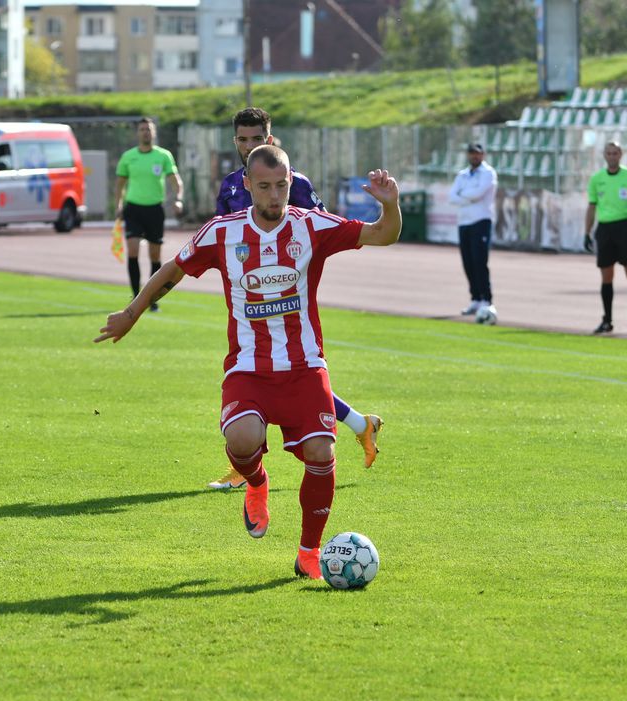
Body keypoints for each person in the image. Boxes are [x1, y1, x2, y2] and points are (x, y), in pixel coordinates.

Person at [95, 145, 401, 579]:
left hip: (304, 365)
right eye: (264, 186)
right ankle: (257, 483)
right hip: (248, 368)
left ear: (291, 182)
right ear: (247, 185)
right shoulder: (223, 232)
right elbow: (172, 271)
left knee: (321, 450)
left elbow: (381, 234)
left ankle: (309, 553)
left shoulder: (311, 226)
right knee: (241, 439)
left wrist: (391, 206)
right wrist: (130, 314)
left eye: (281, 185)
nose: (274, 195)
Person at [207, 106, 382, 491]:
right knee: (268, 375)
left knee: (291, 373)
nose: (248, 145)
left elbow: (316, 230)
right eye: (242, 139)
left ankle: (247, 471)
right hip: (249, 300)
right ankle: (359, 423)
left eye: (256, 139)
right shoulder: (231, 187)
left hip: (289, 294)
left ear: (270, 140)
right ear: (234, 141)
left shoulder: (295, 183)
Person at [114, 117, 183, 313]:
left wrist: (178, 198)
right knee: (133, 250)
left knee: (155, 255)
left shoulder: (163, 156)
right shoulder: (128, 157)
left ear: (153, 133)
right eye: (142, 129)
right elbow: (119, 184)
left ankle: (152, 299)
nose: (146, 132)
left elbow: (175, 180)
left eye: (149, 129)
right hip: (133, 209)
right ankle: (135, 297)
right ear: (138, 133)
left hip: (154, 209)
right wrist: (118, 204)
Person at [584, 141, 627, 334]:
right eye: (609, 153)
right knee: (606, 276)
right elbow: (592, 206)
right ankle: (607, 320)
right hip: (605, 229)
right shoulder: (597, 179)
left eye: (615, 153)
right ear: (604, 155)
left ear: (620, 155)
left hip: (625, 228)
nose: (612, 156)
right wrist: (586, 233)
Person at [448, 143, 498, 323]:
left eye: (477, 154)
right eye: (471, 154)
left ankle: (487, 299)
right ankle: (475, 298)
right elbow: (452, 196)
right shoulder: (462, 175)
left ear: (483, 155)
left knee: (480, 260)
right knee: (468, 262)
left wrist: (464, 195)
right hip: (464, 221)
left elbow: (478, 194)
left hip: (481, 220)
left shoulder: (488, 173)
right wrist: (467, 196)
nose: (474, 157)